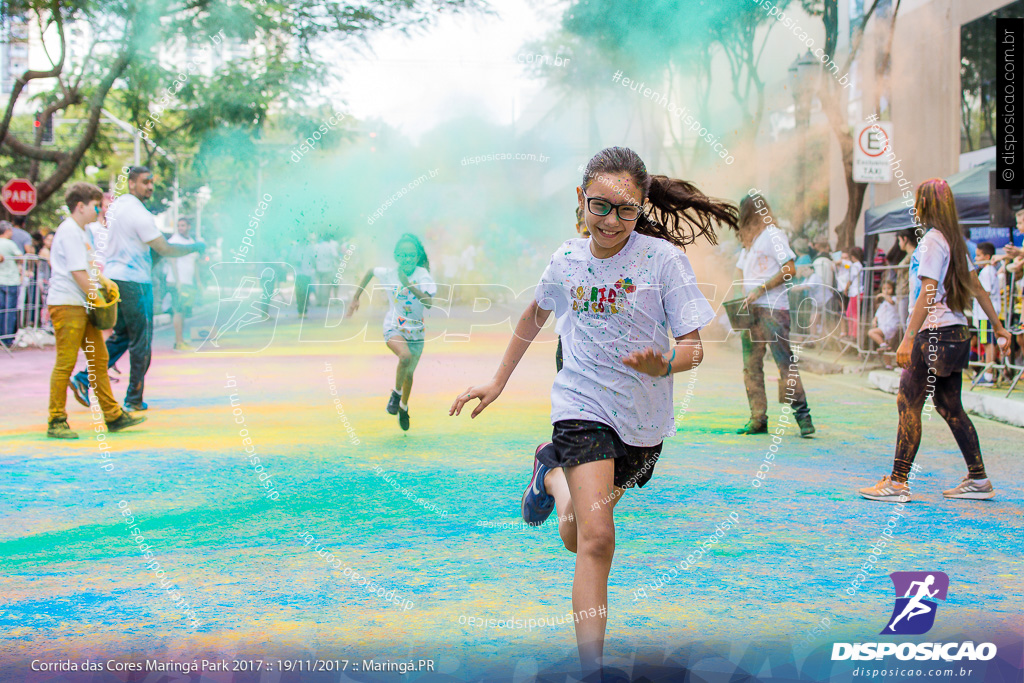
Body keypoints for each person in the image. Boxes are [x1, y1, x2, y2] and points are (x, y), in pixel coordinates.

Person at [450, 147, 737, 675]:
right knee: (600, 540)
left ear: (642, 208)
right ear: (581, 201)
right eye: (600, 206)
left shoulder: (663, 261)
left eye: (625, 210)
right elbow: (533, 316)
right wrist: (497, 381)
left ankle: (551, 475)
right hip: (581, 407)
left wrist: (667, 361)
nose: (611, 221)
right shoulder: (566, 260)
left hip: (643, 426)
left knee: (577, 534)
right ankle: (593, 668)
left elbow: (694, 347)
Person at [859, 178, 1010, 502]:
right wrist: (998, 328)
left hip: (934, 335)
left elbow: (928, 290)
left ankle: (898, 482)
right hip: (957, 333)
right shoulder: (955, 242)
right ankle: (978, 478)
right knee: (949, 405)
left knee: (908, 401)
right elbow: (977, 289)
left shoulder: (931, 241)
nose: (914, 207)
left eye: (918, 201)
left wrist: (907, 339)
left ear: (927, 205)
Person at [69, 166, 205, 412]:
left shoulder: (118, 207)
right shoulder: (138, 213)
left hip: (116, 280)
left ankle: (83, 378)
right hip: (134, 284)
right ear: (132, 184)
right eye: (145, 182)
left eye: (152, 182)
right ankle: (133, 399)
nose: (150, 187)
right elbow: (165, 249)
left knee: (121, 337)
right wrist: (196, 246)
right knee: (141, 342)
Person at [44, 182, 145, 438]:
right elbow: (77, 272)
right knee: (65, 364)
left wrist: (102, 282)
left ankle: (112, 415)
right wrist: (97, 298)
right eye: (96, 205)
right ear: (80, 206)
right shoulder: (69, 231)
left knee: (99, 359)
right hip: (67, 303)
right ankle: (56, 420)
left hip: (81, 304)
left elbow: (87, 269)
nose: (99, 210)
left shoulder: (80, 231)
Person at [732, 192, 815, 437]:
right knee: (751, 366)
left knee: (784, 364)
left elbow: (790, 269)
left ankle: (803, 416)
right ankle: (758, 418)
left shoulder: (773, 235)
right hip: (751, 309)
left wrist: (760, 289)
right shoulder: (750, 242)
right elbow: (739, 271)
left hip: (773, 309)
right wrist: (741, 296)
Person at [347, 233, 437, 431]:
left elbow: (429, 303)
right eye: (403, 255)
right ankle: (396, 395)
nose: (407, 259)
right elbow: (370, 271)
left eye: (411, 255)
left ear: (416, 257)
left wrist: (409, 285)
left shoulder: (422, 275)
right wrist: (356, 298)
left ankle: (403, 407)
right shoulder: (389, 273)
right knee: (404, 357)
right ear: (396, 257)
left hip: (416, 332)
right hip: (393, 326)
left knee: (409, 374)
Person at [166, 217, 199, 350]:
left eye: (183, 226)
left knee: (183, 311)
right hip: (176, 282)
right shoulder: (174, 241)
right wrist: (178, 281)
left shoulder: (191, 242)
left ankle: (181, 340)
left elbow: (195, 263)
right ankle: (178, 342)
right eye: (179, 226)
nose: (181, 228)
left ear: (189, 226)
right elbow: (172, 261)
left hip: (187, 282)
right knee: (178, 311)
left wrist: (198, 282)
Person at [972, 242, 1002, 385]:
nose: (976, 258)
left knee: (988, 342)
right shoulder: (989, 270)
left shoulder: (987, 271)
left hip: (986, 314)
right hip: (986, 314)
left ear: (987, 256)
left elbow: (985, 292)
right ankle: (988, 370)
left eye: (979, 256)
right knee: (988, 342)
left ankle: (989, 373)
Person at [0, 221, 23, 347]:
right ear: (7, 231)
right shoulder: (10, 243)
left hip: (1, 280)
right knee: (9, 310)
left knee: (1, 309)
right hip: (10, 281)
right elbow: (20, 257)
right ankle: (7, 338)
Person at [894, 228, 918, 335]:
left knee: (908, 328)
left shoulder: (914, 255)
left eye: (900, 240)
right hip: (903, 295)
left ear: (905, 239)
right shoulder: (910, 255)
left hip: (907, 295)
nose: (899, 244)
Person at [867, 280, 899, 352]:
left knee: (871, 332)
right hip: (882, 326)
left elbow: (891, 302)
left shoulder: (894, 299)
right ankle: (888, 362)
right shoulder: (883, 303)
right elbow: (877, 314)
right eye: (884, 289)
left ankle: (883, 345)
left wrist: (883, 295)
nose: (886, 291)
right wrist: (874, 320)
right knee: (885, 347)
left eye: (889, 288)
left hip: (890, 326)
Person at [290, 232, 317, 317]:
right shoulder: (295, 247)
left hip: (307, 273)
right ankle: (300, 310)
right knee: (299, 292)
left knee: (306, 292)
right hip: (298, 273)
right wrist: (295, 262)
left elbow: (314, 259)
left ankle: (304, 311)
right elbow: (291, 258)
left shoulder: (310, 248)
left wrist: (314, 267)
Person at [843, 246, 865, 339]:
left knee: (853, 315)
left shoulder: (856, 266)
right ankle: (851, 333)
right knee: (849, 313)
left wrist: (845, 289)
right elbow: (846, 265)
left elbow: (850, 279)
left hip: (856, 292)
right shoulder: (856, 265)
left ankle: (854, 335)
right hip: (855, 292)